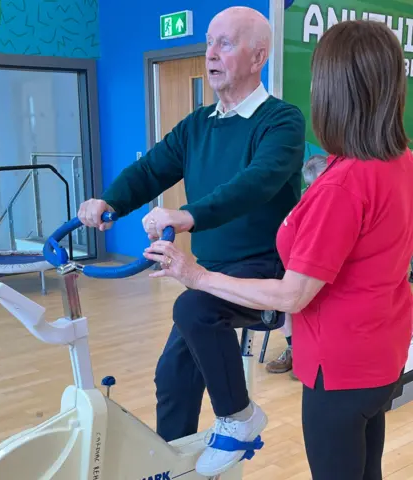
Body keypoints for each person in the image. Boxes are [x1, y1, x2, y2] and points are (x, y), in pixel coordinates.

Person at [144, 20, 413, 479]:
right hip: (381, 357)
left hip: (339, 367)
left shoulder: (343, 182)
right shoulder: (398, 161)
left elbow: (292, 296)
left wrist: (195, 275)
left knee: (195, 305)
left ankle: (240, 418)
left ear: (332, 91)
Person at [78, 6, 305, 476]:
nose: (211, 54)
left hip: (263, 274)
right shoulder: (198, 124)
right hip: (207, 275)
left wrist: (187, 215)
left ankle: (240, 419)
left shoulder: (281, 121)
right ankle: (169, 465)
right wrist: (110, 202)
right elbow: (151, 168)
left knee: (193, 309)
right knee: (173, 376)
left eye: (225, 43)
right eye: (208, 43)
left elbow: (257, 183)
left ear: (259, 55)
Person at [266, 154, 328, 378]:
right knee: (283, 288)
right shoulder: (302, 200)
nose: (315, 189)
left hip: (325, 267)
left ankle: (311, 351)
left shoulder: (337, 198)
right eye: (311, 185)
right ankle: (294, 347)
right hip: (295, 262)